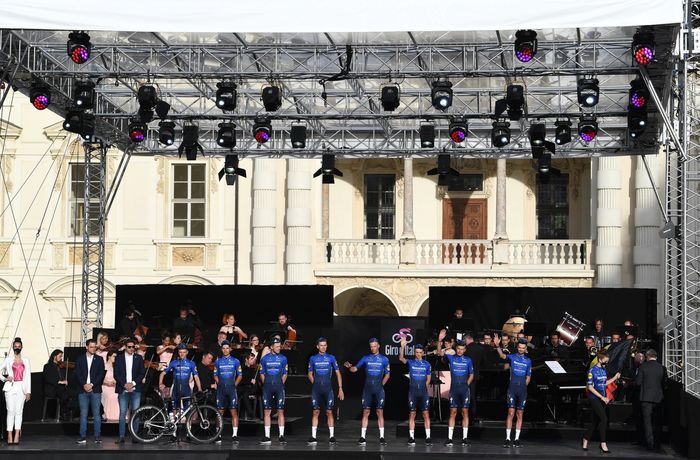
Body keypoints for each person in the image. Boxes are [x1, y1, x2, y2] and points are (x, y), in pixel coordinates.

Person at [344, 338, 391, 445]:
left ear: (378, 346)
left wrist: (381, 385)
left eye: (374, 346)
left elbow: (388, 374)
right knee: (366, 412)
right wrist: (350, 367)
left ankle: (382, 437)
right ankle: (362, 437)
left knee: (380, 412)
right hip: (367, 390)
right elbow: (355, 369)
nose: (373, 348)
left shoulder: (384, 359)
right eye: (371, 346)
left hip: (379, 390)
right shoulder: (366, 358)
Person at [437, 332, 474, 446]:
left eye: (462, 349)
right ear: (456, 348)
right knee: (452, 412)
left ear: (465, 350)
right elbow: (439, 353)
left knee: (464, 412)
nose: (459, 351)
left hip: (464, 390)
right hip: (453, 389)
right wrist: (439, 340)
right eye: (458, 348)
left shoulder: (468, 360)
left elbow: (472, 375)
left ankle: (465, 438)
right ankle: (449, 438)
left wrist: (466, 385)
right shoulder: (451, 357)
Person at [494, 337, 531, 448]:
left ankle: (516, 439)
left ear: (525, 349)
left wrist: (524, 387)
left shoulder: (528, 361)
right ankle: (507, 438)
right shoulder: (512, 357)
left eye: (523, 348)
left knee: (520, 414)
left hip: (522, 390)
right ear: (517, 347)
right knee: (510, 413)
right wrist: (497, 346)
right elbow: (502, 356)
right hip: (512, 389)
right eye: (519, 347)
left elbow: (528, 377)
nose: (520, 349)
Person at [307, 337, 344, 444]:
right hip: (316, 390)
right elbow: (309, 373)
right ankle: (313, 437)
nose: (323, 347)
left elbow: (338, 373)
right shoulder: (313, 358)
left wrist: (340, 388)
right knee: (315, 412)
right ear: (317, 346)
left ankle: (332, 436)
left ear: (327, 346)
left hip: (328, 389)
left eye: (325, 345)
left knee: (329, 412)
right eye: (321, 345)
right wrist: (315, 384)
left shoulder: (331, 358)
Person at [583, 349, 620, 453]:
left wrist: (615, 377)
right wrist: (602, 397)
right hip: (594, 398)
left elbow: (604, 383)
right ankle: (603, 443)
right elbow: (590, 387)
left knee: (596, 421)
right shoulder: (592, 371)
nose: (606, 362)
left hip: (602, 398)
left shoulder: (603, 370)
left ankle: (585, 439)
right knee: (604, 419)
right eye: (605, 360)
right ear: (600, 359)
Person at [399, 338, 431, 446]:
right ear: (414, 353)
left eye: (420, 352)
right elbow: (401, 358)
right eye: (416, 352)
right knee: (412, 414)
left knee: (425, 414)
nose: (418, 354)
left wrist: (423, 387)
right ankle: (411, 437)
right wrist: (402, 347)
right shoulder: (410, 362)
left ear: (423, 353)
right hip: (412, 392)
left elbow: (429, 379)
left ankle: (428, 437)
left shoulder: (427, 364)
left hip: (423, 393)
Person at [114, 337, 146, 444]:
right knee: (122, 413)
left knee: (135, 413)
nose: (132, 349)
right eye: (129, 347)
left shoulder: (139, 358)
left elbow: (142, 373)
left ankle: (134, 436)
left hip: (135, 389)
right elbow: (116, 374)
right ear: (125, 348)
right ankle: (121, 436)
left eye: (133, 347)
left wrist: (132, 383)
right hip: (123, 389)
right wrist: (125, 384)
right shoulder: (119, 358)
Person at [75, 338, 106, 444]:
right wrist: (84, 384)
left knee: (97, 414)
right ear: (86, 347)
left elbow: (101, 374)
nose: (93, 349)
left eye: (95, 347)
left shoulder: (99, 359)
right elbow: (77, 373)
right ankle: (82, 436)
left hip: (95, 390)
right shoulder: (80, 359)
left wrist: (92, 384)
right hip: (82, 390)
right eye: (91, 347)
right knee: (83, 414)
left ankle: (97, 436)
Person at [635, 349, 667, 451]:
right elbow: (665, 384)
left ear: (647, 357)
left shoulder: (643, 366)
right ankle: (657, 443)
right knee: (658, 421)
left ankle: (650, 443)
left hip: (646, 398)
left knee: (647, 421)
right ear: (656, 357)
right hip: (658, 398)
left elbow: (638, 383)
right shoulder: (662, 368)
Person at [159, 343, 202, 416]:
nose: (182, 354)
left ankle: (187, 427)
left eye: (184, 352)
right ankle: (175, 425)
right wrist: (160, 383)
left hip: (186, 390)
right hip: (176, 389)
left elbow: (196, 377)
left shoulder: (191, 363)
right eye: (180, 352)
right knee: (175, 412)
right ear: (178, 352)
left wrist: (200, 388)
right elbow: (162, 373)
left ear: (187, 352)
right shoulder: (174, 363)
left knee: (188, 412)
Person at [259, 337, 288, 444]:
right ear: (271, 347)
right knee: (267, 411)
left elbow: (285, 373)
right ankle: (267, 436)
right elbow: (262, 373)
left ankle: (281, 435)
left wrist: (281, 384)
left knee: (280, 411)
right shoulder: (264, 359)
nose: (279, 348)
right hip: (267, 388)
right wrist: (265, 383)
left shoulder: (283, 358)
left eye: (279, 346)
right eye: (276, 347)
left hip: (279, 388)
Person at [1, 338, 31, 444]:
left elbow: (28, 377)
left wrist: (28, 391)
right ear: (13, 347)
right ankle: (9, 434)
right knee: (10, 411)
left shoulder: (26, 360)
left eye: (19, 346)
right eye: (15, 346)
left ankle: (17, 434)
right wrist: (5, 378)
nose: (17, 348)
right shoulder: (8, 360)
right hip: (10, 387)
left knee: (19, 412)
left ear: (22, 347)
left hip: (21, 388)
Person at [213, 341, 242, 443]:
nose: (225, 350)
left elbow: (240, 375)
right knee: (219, 413)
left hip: (231, 390)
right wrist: (219, 383)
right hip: (221, 390)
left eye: (227, 348)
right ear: (221, 349)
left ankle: (234, 435)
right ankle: (218, 434)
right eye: (223, 348)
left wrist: (234, 385)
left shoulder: (236, 361)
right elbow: (215, 375)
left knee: (233, 412)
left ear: (230, 349)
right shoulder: (217, 362)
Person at [42, 349, 70, 421]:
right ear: (54, 356)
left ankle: (65, 412)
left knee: (72, 394)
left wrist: (64, 380)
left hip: (59, 388)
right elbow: (48, 379)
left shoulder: (59, 367)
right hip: (51, 389)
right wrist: (60, 382)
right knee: (64, 396)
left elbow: (61, 377)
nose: (61, 358)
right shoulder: (47, 366)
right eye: (60, 356)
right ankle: (62, 413)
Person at [238, 353, 260, 420]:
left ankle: (251, 413)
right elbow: (240, 381)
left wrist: (255, 380)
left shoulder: (254, 369)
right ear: (246, 359)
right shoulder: (241, 368)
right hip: (243, 387)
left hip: (252, 388)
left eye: (254, 359)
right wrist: (249, 381)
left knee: (245, 393)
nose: (253, 360)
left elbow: (256, 380)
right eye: (251, 359)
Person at [102, 351, 120, 421]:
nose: (115, 358)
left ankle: (120, 417)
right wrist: (108, 383)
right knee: (112, 396)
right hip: (105, 386)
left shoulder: (115, 367)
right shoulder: (104, 366)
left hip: (114, 386)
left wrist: (116, 381)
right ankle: (110, 417)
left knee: (120, 395)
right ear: (109, 356)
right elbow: (100, 379)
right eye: (114, 356)